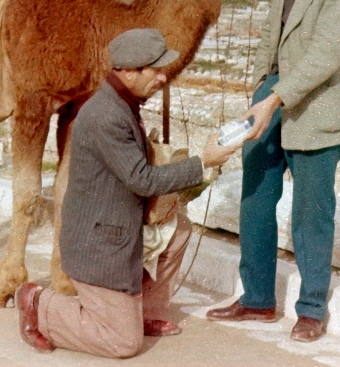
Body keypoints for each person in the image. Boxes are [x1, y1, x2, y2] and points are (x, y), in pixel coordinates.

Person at [206, 0, 340, 342]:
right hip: (271, 98)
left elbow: (327, 54)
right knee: (256, 198)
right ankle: (257, 298)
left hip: (316, 103)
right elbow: (269, 38)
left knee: (312, 212)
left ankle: (311, 309)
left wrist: (273, 98)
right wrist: (261, 88)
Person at [17, 28, 239, 358]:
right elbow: (141, 180)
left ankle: (144, 313)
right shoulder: (106, 115)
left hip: (117, 227)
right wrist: (203, 161)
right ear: (130, 72)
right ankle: (39, 305)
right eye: (156, 69)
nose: (163, 77)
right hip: (99, 246)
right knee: (124, 343)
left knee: (178, 229)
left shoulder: (121, 104)